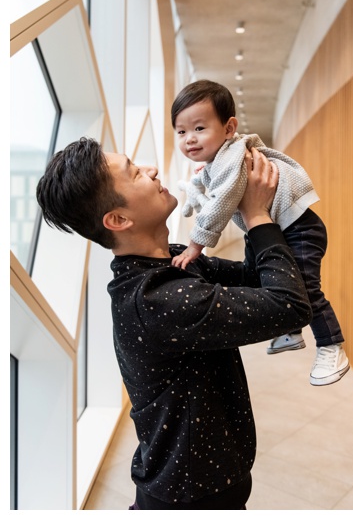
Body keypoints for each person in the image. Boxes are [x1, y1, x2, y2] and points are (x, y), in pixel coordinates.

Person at [35, 137, 312, 509]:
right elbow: (289, 305)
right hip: (190, 498)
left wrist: (239, 201)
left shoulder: (174, 262)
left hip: (194, 486)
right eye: (134, 172)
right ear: (118, 219)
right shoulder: (156, 300)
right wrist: (257, 216)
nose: (150, 170)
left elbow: (259, 278)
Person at [170, 80, 348, 386]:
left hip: (299, 229)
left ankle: (332, 346)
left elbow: (221, 203)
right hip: (276, 228)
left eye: (199, 128)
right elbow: (208, 184)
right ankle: (290, 331)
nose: (189, 139)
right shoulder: (220, 159)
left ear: (228, 128)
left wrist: (194, 247)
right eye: (181, 131)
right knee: (260, 275)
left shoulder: (231, 157)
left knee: (305, 289)